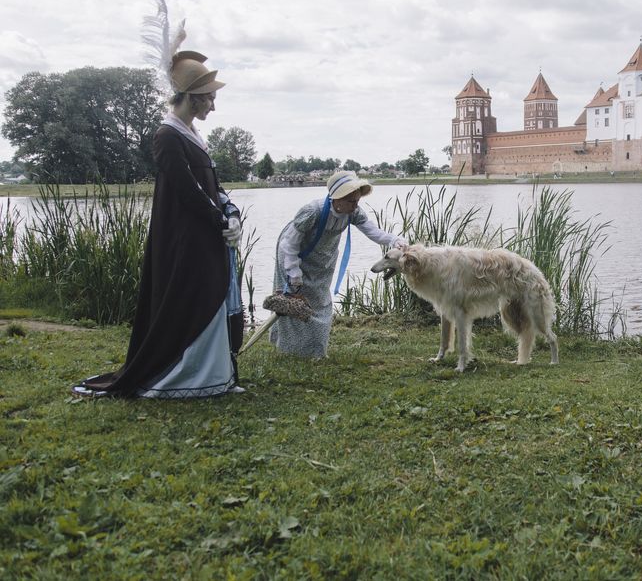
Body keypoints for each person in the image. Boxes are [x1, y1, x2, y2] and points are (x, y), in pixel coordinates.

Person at [73, 51, 244, 398]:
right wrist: (219, 219)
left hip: (207, 236)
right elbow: (188, 191)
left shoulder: (192, 134)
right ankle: (186, 378)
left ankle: (216, 375)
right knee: (193, 300)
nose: (212, 105)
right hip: (186, 240)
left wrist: (232, 212)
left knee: (210, 297)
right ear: (191, 98)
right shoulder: (167, 136)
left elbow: (212, 185)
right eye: (209, 97)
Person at [270, 171, 406, 357]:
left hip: (323, 258)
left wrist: (394, 240)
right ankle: (290, 350)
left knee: (320, 301)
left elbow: (373, 232)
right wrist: (293, 271)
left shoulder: (353, 212)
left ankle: (316, 351)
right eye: (351, 201)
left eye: (357, 201)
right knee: (293, 301)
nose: (356, 205)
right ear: (338, 198)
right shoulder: (312, 212)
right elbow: (289, 244)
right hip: (294, 255)